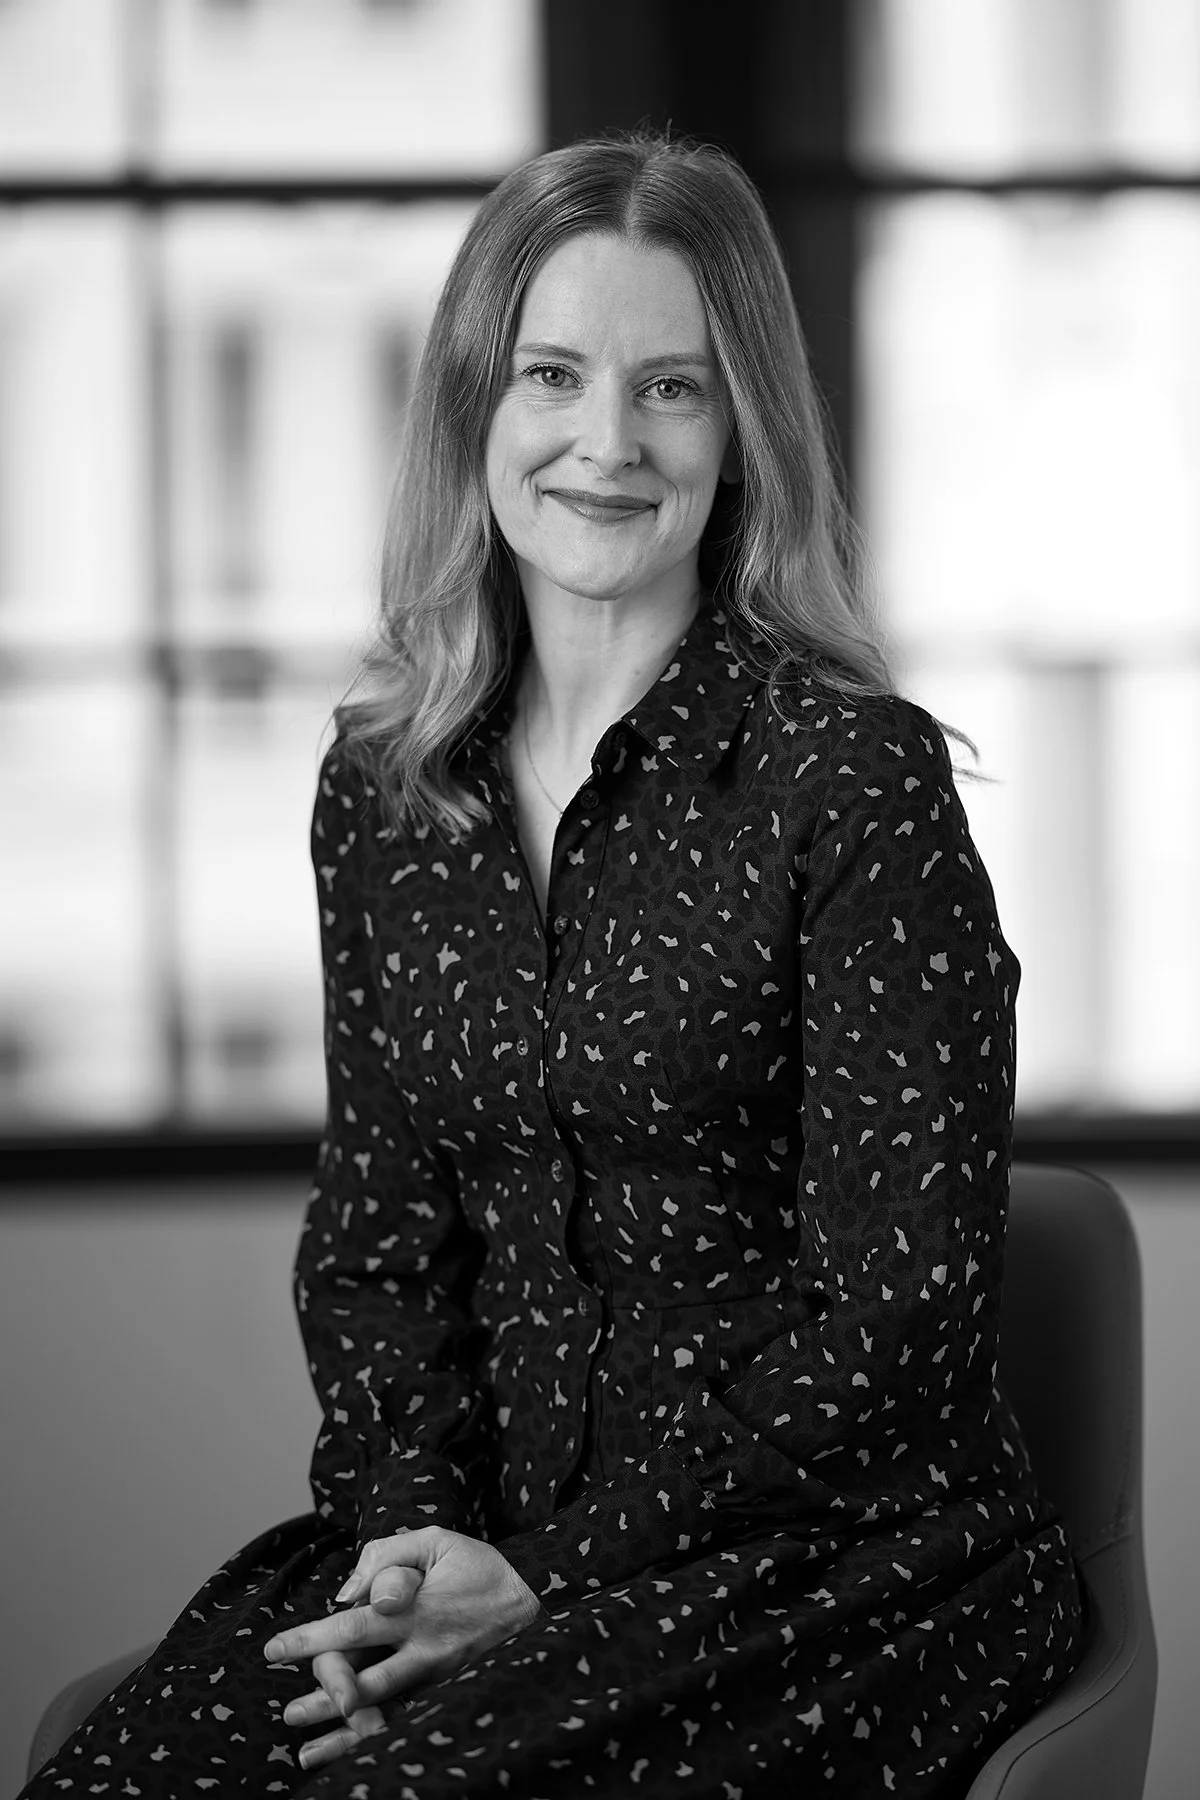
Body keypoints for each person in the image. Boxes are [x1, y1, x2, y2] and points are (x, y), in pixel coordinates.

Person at [23, 130, 1082, 1800]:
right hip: (480, 1546)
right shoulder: (383, 789)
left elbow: (908, 1314)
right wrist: (406, 1549)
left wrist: (562, 1576)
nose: (608, 441)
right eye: (554, 376)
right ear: (474, 412)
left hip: (827, 1557)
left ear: (741, 437)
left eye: (673, 386)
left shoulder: (851, 780)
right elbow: (379, 1245)